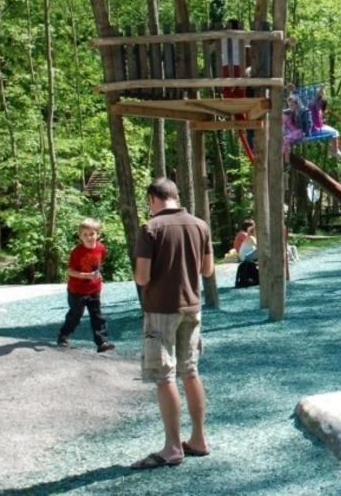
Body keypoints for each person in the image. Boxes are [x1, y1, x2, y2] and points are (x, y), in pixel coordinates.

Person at [131, 177, 213, 469]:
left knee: (164, 376)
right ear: (176, 197)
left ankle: (173, 447)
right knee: (190, 371)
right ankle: (199, 439)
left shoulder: (149, 228)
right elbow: (208, 269)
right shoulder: (200, 225)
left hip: (160, 310)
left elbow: (142, 277)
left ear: (153, 199)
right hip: (192, 307)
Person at [57, 218, 115, 353]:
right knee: (76, 315)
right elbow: (70, 271)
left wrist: (98, 275)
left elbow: (99, 264)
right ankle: (63, 334)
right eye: (85, 234)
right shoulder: (77, 252)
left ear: (98, 234)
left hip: (94, 289)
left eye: (92, 234)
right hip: (77, 290)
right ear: (80, 236)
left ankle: (102, 342)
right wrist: (87, 276)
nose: (89, 237)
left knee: (97, 315)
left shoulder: (101, 247)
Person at [307, 86, 341, 159]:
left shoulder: (319, 109)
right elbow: (316, 98)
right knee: (334, 133)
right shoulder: (312, 106)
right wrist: (321, 87)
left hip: (321, 126)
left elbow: (323, 97)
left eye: (322, 103)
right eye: (319, 102)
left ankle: (334, 150)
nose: (320, 104)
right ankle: (335, 151)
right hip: (315, 129)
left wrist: (323, 91)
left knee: (335, 132)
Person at [282, 93, 308, 159]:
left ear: (297, 104)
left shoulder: (303, 111)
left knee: (285, 139)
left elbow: (309, 123)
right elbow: (285, 111)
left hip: (301, 131)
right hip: (294, 129)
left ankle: (286, 159)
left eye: (292, 105)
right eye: (289, 106)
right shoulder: (292, 110)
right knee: (283, 116)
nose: (290, 107)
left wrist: (306, 135)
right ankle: (282, 132)